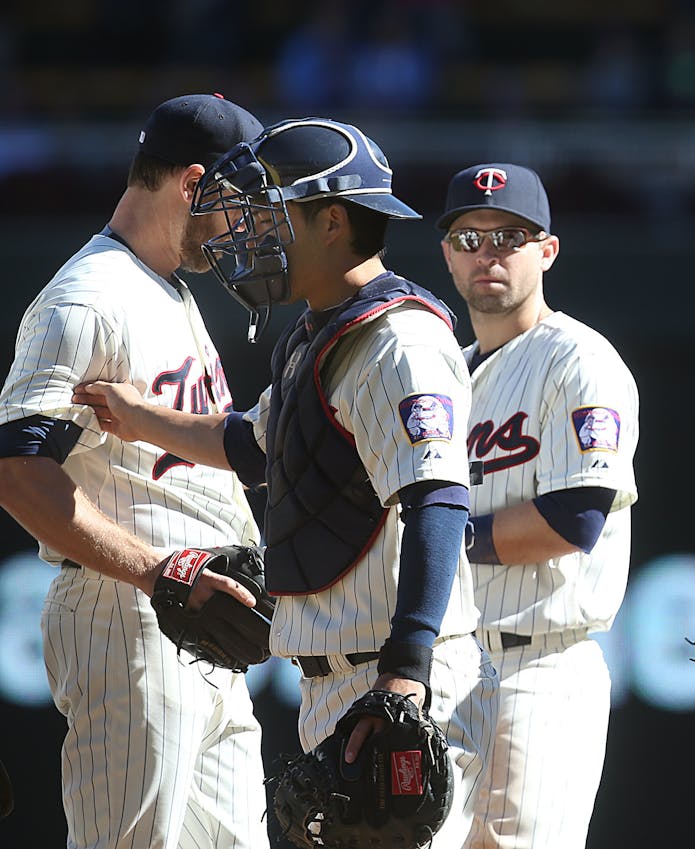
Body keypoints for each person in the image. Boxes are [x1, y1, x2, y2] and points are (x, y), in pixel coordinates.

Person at [73, 117, 499, 849]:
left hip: (395, 678)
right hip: (337, 681)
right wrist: (142, 418)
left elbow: (437, 502)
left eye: (272, 212)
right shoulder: (318, 332)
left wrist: (405, 677)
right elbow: (248, 443)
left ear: (332, 221)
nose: (253, 232)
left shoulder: (399, 341)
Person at [0, 93, 268, 848]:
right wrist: (163, 570)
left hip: (198, 627)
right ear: (191, 182)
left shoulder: (164, 288)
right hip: (130, 615)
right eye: (235, 197)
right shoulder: (87, 296)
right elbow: (16, 471)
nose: (242, 220)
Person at [435, 162, 639, 849]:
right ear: (446, 252)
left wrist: (442, 539)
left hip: (539, 667)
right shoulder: (449, 370)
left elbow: (574, 516)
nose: (487, 252)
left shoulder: (579, 360)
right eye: (469, 236)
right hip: (453, 664)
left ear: (546, 249)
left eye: (509, 235)